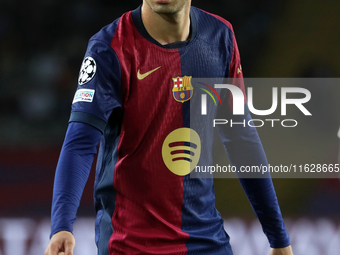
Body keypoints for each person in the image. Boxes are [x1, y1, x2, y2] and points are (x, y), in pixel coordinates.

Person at [45, 0, 294, 254]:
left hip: (206, 241)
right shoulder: (110, 47)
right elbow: (80, 144)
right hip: (130, 243)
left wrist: (278, 238)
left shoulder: (220, 37)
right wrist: (62, 226)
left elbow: (241, 139)